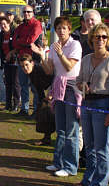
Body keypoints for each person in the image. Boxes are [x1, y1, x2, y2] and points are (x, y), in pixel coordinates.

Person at [76, 23, 109, 186]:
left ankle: (99, 184)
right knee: (89, 145)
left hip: (104, 105)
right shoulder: (87, 59)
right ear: (91, 39)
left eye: (104, 37)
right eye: (97, 37)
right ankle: (89, 177)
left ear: (108, 40)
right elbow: (79, 80)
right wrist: (82, 86)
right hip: (87, 103)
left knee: (101, 148)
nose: (101, 40)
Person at [32, 16, 82, 177]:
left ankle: (71, 166)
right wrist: (42, 55)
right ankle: (58, 162)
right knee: (60, 128)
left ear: (69, 30)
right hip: (58, 86)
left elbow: (69, 67)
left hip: (72, 87)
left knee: (71, 129)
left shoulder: (75, 45)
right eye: (58, 28)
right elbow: (49, 70)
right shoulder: (54, 47)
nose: (61, 31)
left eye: (64, 28)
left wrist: (60, 53)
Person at [7, 5, 42, 117]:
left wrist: (20, 41)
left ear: (33, 12)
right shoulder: (21, 26)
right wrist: (24, 42)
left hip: (33, 60)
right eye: (25, 12)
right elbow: (14, 42)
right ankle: (24, 109)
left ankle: (36, 111)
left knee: (34, 87)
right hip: (21, 59)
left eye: (29, 12)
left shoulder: (36, 24)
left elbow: (31, 40)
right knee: (23, 85)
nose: (26, 14)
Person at [19, 54, 54, 145]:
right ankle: (47, 138)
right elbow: (39, 88)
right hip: (45, 94)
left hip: (54, 92)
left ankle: (50, 139)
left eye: (27, 65)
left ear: (32, 63)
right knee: (43, 113)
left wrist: (50, 94)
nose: (25, 68)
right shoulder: (31, 73)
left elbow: (51, 78)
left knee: (48, 115)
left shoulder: (38, 69)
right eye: (22, 66)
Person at [0, 16, 20, 111]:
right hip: (6, 62)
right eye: (1, 24)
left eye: (4, 24)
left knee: (15, 84)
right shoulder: (2, 35)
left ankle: (16, 104)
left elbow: (18, 46)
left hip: (15, 62)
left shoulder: (14, 33)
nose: (3, 26)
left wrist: (11, 53)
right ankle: (8, 104)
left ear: (9, 24)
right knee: (8, 83)